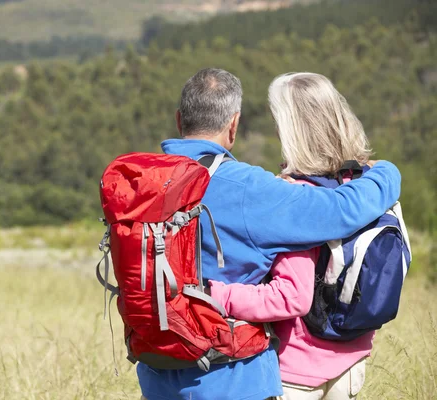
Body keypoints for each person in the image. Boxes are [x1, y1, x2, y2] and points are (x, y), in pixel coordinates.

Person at [136, 68, 401, 400]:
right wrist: (388, 173)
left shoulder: (140, 184)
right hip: (231, 376)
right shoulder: (251, 190)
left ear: (179, 120)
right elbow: (340, 210)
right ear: (233, 124)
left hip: (157, 367)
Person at [208, 72, 382, 400]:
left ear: (291, 129)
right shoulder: (364, 185)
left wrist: (214, 293)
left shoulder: (295, 198)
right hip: (352, 361)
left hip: (298, 371)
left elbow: (291, 297)